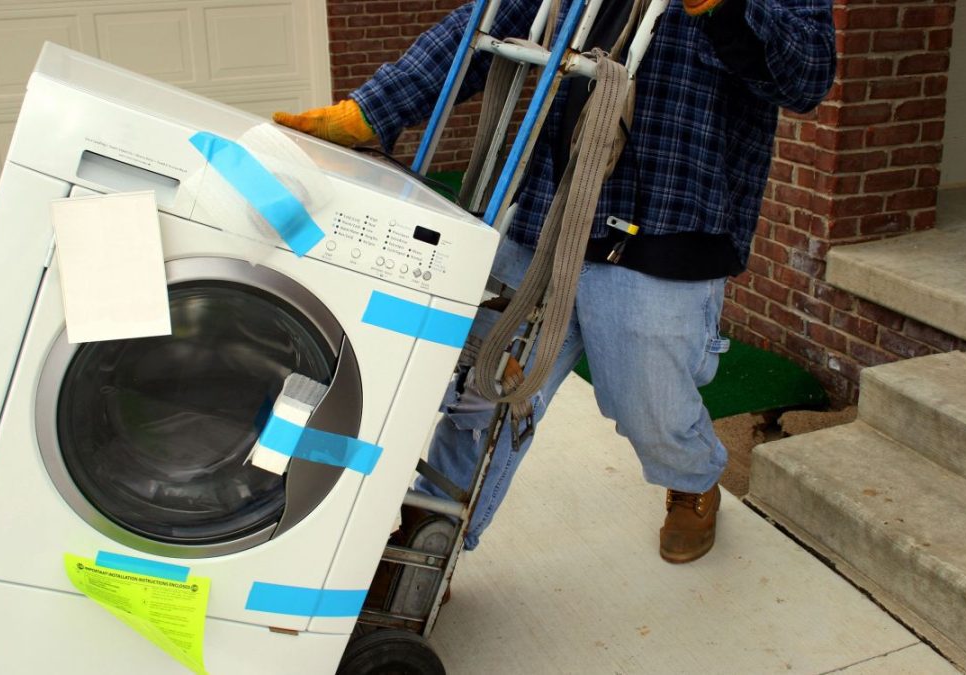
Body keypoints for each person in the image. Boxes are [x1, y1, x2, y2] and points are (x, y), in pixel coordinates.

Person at [275, 0, 836, 564]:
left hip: (668, 226)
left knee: (653, 414)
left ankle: (692, 481)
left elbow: (808, 76)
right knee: (483, 396)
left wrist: (728, 9)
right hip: (548, 215)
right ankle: (429, 550)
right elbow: (487, 25)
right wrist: (370, 111)